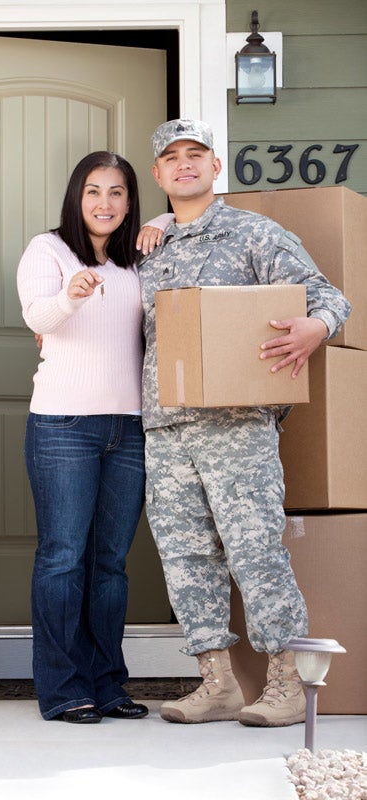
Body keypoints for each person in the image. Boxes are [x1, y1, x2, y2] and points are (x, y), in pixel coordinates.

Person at [138, 119, 352, 727]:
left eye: (196, 155)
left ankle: (287, 685)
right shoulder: (146, 247)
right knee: (185, 556)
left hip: (238, 428)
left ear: (215, 166)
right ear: (158, 174)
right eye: (172, 158)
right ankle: (218, 684)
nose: (184, 165)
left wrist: (316, 328)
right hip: (165, 427)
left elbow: (328, 296)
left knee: (256, 551)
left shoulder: (253, 234)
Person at [17, 151, 169, 723]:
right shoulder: (48, 250)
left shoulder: (139, 259)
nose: (104, 204)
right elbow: (38, 319)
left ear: (131, 202)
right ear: (76, 198)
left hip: (128, 428)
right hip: (64, 427)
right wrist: (72, 295)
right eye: (93, 192)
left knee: (110, 563)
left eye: (117, 193)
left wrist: (166, 223)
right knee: (62, 558)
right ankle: (63, 689)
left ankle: (107, 683)